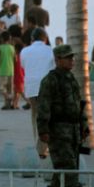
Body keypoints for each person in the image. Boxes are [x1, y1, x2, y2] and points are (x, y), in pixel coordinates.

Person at [37, 45, 94, 187]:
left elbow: (79, 105)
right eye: (67, 57)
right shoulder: (50, 81)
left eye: (72, 57)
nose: (72, 60)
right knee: (67, 167)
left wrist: (84, 126)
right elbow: (43, 107)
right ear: (57, 60)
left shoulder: (71, 79)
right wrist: (43, 130)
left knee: (64, 168)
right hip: (58, 131)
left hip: (73, 131)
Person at [21, 28, 56, 158]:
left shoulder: (24, 51)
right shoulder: (50, 50)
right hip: (47, 88)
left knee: (36, 118)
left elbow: (24, 66)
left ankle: (39, 147)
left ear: (32, 39)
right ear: (45, 38)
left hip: (31, 88)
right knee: (47, 117)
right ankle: (42, 148)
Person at [0, 31, 15, 109]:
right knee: (9, 89)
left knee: (1, 89)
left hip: (2, 70)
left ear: (1, 38)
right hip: (11, 70)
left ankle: (8, 97)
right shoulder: (12, 48)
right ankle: (7, 105)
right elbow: (15, 59)